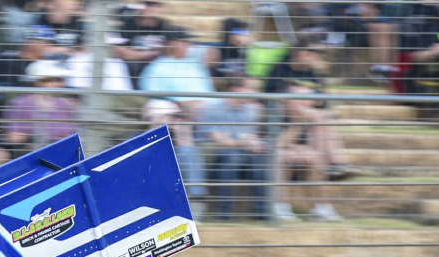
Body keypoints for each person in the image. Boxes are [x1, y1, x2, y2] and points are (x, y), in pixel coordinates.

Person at [264, 36, 356, 180]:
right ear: (298, 52)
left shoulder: (312, 73)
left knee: (321, 117)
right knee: (318, 117)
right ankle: (334, 164)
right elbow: (271, 100)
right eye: (312, 51)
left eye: (320, 53)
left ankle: (334, 165)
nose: (316, 56)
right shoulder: (278, 70)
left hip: (307, 117)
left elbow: (322, 101)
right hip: (283, 117)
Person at [200, 77, 269, 221]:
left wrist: (252, 144)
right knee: (232, 157)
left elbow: (251, 136)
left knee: (259, 159)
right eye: (250, 88)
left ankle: (261, 213)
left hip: (241, 152)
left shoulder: (251, 110)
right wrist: (244, 142)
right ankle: (223, 213)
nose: (253, 93)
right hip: (216, 154)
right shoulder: (213, 108)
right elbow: (219, 140)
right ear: (236, 89)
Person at [276, 84, 337, 221]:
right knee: (286, 158)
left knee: (316, 158)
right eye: (301, 98)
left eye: (309, 98)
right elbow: (277, 145)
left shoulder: (312, 115)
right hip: (270, 156)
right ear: (286, 100)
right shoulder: (274, 112)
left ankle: (321, 208)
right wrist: (297, 124)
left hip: (299, 155)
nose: (306, 102)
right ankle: (281, 206)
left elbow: (318, 147)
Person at [142, 100, 206, 220]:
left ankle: (194, 211)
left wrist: (183, 134)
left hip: (175, 173)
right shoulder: (139, 135)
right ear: (152, 117)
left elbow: (189, 153)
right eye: (169, 116)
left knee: (189, 152)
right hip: (152, 179)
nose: (174, 119)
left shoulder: (176, 134)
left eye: (175, 116)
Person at [137, 27, 216, 120]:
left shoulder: (195, 60)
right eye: (183, 41)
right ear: (171, 43)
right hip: (185, 107)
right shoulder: (157, 67)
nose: (188, 44)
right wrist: (182, 105)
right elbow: (152, 94)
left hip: (214, 105)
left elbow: (214, 54)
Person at [4, 60, 79, 154]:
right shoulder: (20, 104)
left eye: (60, 80)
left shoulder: (65, 104)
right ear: (38, 82)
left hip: (64, 151)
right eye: (53, 81)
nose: (60, 84)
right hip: (31, 153)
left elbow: (72, 134)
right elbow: (14, 138)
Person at [114, 0, 168, 88]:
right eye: (147, 4)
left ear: (162, 8)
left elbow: (169, 50)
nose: (151, 8)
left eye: (155, 5)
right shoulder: (126, 24)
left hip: (156, 64)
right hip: (132, 65)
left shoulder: (164, 26)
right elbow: (121, 53)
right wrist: (155, 53)